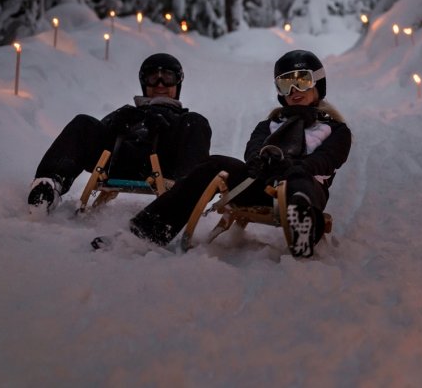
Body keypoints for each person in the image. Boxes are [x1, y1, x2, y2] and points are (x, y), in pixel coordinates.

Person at [99, 49, 351, 258]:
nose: (295, 89)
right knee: (215, 164)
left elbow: (328, 159)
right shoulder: (269, 125)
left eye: (302, 80)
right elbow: (252, 149)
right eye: (286, 83)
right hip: (262, 183)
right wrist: (260, 161)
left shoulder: (335, 129)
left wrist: (296, 167)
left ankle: (303, 225)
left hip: (304, 185)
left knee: (298, 182)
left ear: (318, 83)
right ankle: (146, 231)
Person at [27, 53, 212, 210]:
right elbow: (90, 139)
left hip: (164, 164)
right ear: (143, 82)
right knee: (84, 122)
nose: (160, 84)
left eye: (168, 77)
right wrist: (115, 124)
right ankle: (48, 185)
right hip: (117, 162)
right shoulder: (128, 113)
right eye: (152, 77)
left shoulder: (183, 121)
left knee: (197, 122)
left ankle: (187, 194)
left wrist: (168, 126)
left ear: (178, 83)